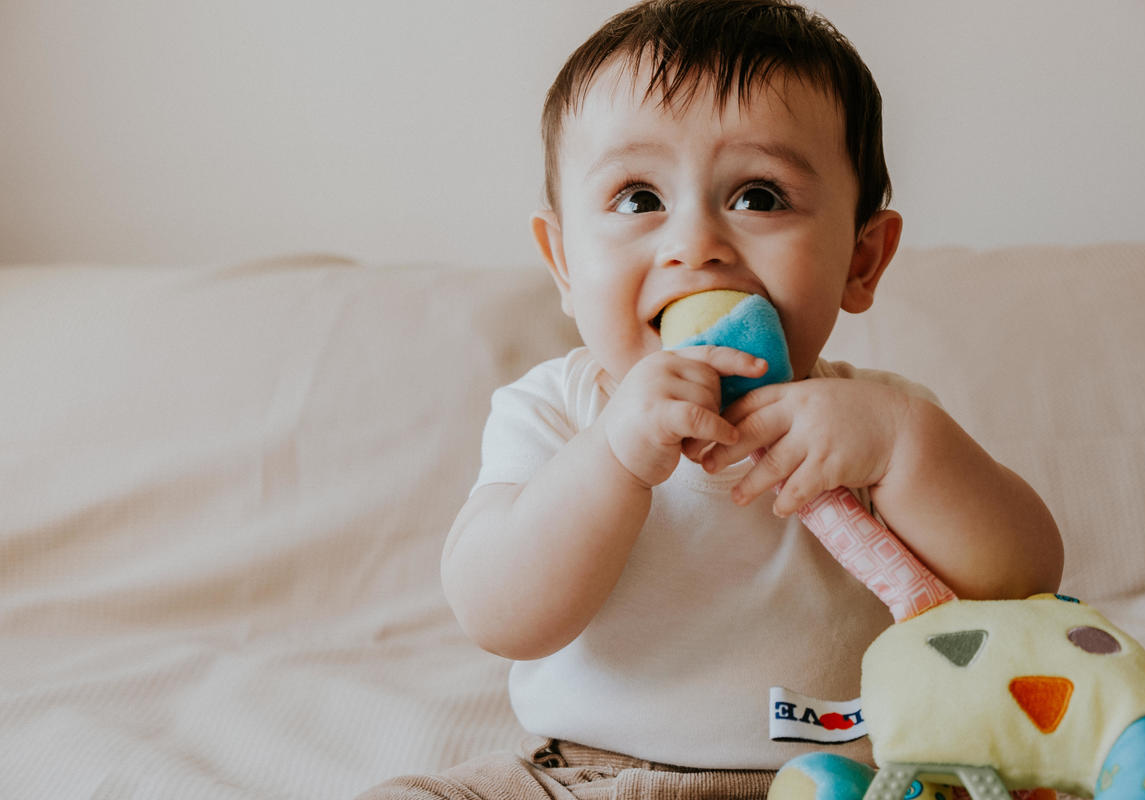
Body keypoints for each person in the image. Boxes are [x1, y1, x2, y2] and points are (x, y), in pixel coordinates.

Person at [360, 1, 1063, 797]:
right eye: (636, 198)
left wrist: (909, 449)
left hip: (835, 779)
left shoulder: (873, 426)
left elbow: (1022, 580)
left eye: (759, 196)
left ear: (862, 261)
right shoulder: (558, 411)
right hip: (583, 773)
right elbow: (500, 615)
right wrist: (614, 459)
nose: (694, 244)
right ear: (562, 262)